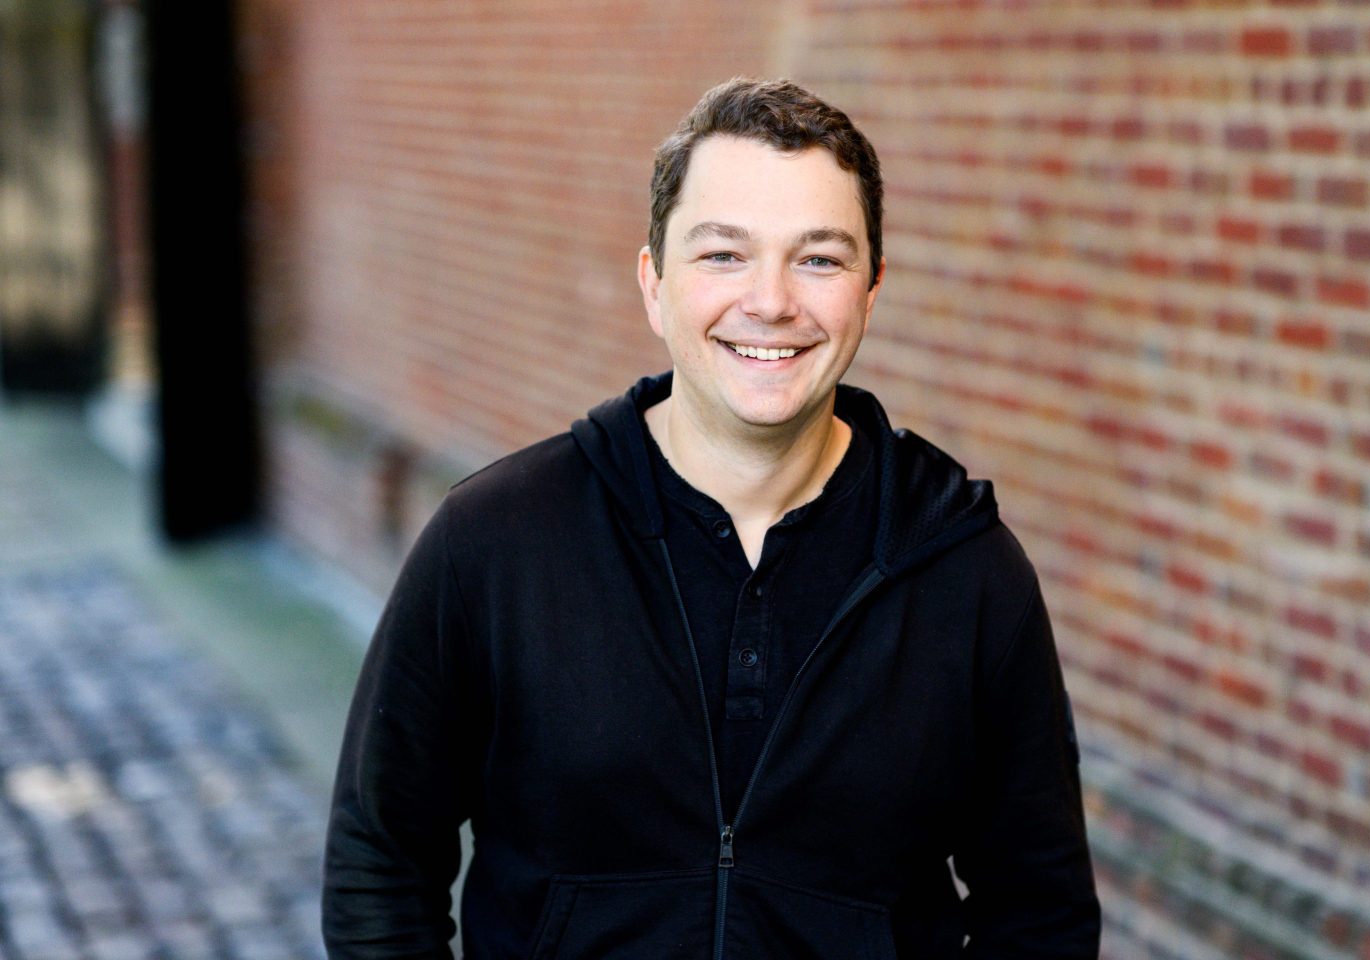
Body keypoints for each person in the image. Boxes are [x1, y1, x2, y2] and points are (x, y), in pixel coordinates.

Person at [322, 77, 1100, 959]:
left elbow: (1040, 913)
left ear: (871, 291)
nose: (770, 301)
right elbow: (379, 862)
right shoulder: (495, 542)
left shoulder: (966, 571)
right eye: (724, 254)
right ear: (654, 285)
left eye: (819, 259)